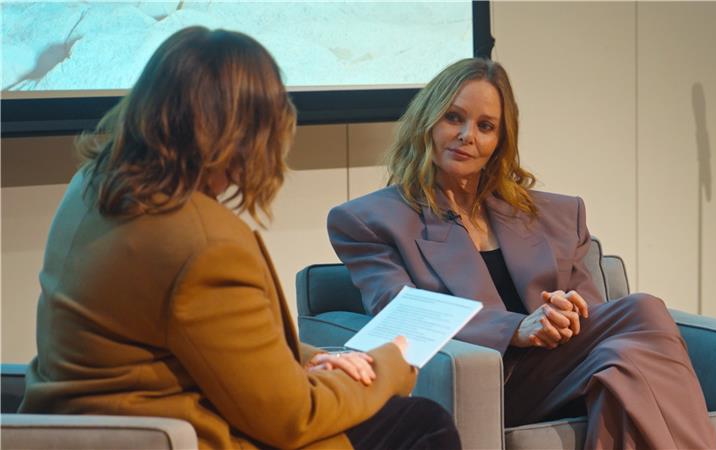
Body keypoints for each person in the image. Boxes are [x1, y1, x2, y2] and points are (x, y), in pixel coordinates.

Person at [18, 27, 461, 450]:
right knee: (422, 425)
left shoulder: (95, 183)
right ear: (246, 135)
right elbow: (294, 417)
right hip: (176, 433)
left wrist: (314, 359)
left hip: (84, 422)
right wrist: (391, 365)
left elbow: (204, 343)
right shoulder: (206, 245)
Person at [327, 58, 716, 449]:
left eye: (485, 126)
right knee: (642, 310)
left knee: (627, 360)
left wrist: (562, 313)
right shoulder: (369, 221)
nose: (467, 135)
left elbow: (594, 315)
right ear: (426, 122)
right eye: (453, 117)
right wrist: (516, 329)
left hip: (566, 368)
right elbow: (401, 314)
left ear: (501, 141)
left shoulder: (557, 214)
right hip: (479, 379)